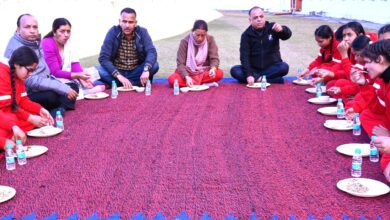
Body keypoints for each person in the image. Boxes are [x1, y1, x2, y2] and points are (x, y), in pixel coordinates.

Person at [4, 14, 78, 116]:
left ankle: (58, 109)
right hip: (28, 92)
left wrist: (59, 85)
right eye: (27, 27)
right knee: (51, 96)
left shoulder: (35, 42)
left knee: (72, 86)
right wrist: (60, 87)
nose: (32, 30)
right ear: (18, 30)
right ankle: (56, 110)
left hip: (44, 84)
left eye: (35, 27)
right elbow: (29, 80)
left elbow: (47, 71)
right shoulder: (16, 49)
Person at [0, 46, 54, 149]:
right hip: (4, 116)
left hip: (8, 116)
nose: (30, 75)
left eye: (32, 71)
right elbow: (6, 109)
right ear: (17, 64)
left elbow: (23, 101)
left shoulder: (17, 74)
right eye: (29, 70)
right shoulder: (2, 74)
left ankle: (13, 134)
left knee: (36, 117)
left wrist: (40, 109)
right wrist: (15, 125)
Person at [97, 7, 159, 88]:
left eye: (130, 22)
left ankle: (117, 84)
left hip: (136, 70)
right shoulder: (113, 32)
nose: (127, 25)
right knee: (96, 71)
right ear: (119, 21)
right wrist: (119, 75)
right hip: (117, 71)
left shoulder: (142, 32)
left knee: (154, 65)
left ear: (135, 23)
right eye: (124, 21)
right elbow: (103, 58)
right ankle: (135, 83)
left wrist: (146, 69)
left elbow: (151, 51)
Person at [42, 18, 105, 96]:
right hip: (53, 77)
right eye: (62, 31)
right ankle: (84, 93)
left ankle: (82, 90)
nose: (66, 35)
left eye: (68, 31)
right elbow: (55, 72)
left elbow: (74, 64)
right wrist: (78, 76)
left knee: (98, 83)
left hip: (68, 75)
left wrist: (83, 80)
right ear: (54, 32)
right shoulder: (47, 43)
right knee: (69, 87)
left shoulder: (69, 42)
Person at [230, 6, 292, 85]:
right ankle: (270, 80)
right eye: (255, 18)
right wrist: (249, 74)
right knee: (235, 70)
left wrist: (282, 29)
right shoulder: (246, 35)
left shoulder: (273, 27)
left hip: (271, 67)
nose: (259, 19)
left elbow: (287, 36)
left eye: (261, 16)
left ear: (264, 17)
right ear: (250, 20)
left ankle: (257, 79)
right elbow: (244, 57)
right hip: (254, 70)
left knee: (284, 67)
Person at [168, 20, 223, 87]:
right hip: (188, 72)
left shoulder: (210, 39)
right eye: (198, 35)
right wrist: (186, 77)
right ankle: (203, 84)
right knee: (172, 79)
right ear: (192, 31)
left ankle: (193, 84)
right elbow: (180, 64)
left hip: (203, 71)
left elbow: (214, 58)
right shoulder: (184, 42)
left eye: (203, 35)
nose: (200, 38)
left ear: (206, 33)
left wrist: (213, 69)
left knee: (219, 73)